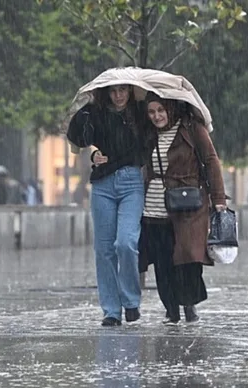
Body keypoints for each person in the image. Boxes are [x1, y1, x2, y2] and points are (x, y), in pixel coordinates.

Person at [101, 93, 226, 324]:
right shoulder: (147, 134)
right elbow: (127, 155)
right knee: (162, 262)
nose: (157, 116)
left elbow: (211, 160)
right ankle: (171, 310)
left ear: (170, 108)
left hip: (187, 205)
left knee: (187, 258)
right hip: (153, 207)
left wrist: (219, 198)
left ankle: (188, 304)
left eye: (161, 110)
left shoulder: (191, 128)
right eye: (151, 112)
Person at [67, 84, 146, 326]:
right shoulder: (95, 113)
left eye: (123, 90)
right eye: (113, 91)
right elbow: (79, 139)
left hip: (132, 181)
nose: (119, 96)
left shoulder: (140, 113)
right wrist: (93, 155)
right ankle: (111, 310)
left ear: (130, 91)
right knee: (104, 250)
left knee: (126, 243)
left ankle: (131, 301)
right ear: (106, 93)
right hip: (102, 183)